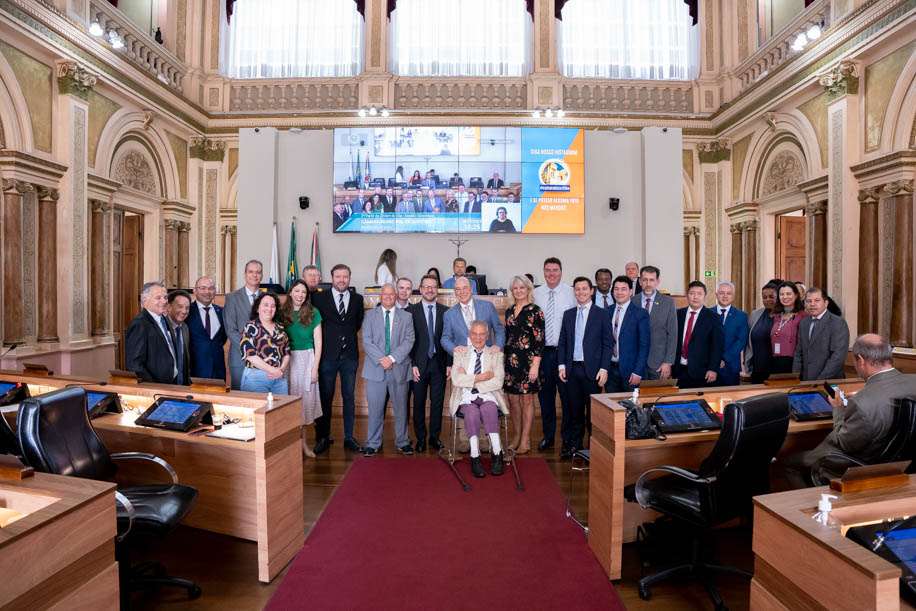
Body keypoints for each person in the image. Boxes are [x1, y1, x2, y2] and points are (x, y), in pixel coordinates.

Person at [783, 334, 916, 489]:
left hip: (865, 465)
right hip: (904, 464)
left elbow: (845, 444)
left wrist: (838, 408)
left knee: (791, 463)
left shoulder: (862, 402)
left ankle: (813, 510)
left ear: (860, 360)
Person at [312, 264, 365, 454]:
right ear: (331, 278)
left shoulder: (358, 300)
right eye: (338, 276)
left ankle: (349, 437)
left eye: (345, 276)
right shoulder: (318, 298)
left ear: (349, 278)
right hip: (327, 355)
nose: (341, 280)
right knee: (325, 397)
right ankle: (323, 437)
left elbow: (356, 323)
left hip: (349, 355)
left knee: (349, 397)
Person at [558, 277, 613, 458]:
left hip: (593, 372)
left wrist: (604, 369)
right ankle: (576, 445)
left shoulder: (602, 314)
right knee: (574, 411)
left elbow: (607, 344)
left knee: (593, 413)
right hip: (572, 370)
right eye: (577, 289)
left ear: (591, 291)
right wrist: (561, 366)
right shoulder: (568, 314)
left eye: (584, 289)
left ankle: (593, 448)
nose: (580, 292)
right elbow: (563, 343)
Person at [361, 283, 415, 457]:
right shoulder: (369, 315)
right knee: (375, 409)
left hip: (398, 367)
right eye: (385, 294)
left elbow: (409, 340)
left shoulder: (406, 317)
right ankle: (373, 443)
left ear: (396, 296)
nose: (388, 297)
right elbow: (366, 340)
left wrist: (391, 358)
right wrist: (382, 359)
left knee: (401, 409)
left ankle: (403, 442)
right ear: (380, 296)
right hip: (375, 369)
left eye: (392, 294)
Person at [449, 320, 508, 477]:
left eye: (482, 334)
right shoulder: (460, 354)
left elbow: (498, 381)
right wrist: (482, 376)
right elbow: (456, 380)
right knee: (472, 413)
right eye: (474, 333)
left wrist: (471, 380)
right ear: (470, 335)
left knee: (489, 409)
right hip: (466, 397)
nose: (478, 337)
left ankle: (497, 453)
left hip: (489, 395)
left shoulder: (496, 354)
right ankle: (475, 456)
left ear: (488, 336)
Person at [534, 257, 576, 452]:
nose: (551, 273)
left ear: (561, 271)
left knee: (567, 398)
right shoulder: (536, 294)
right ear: (543, 272)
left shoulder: (571, 293)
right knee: (546, 398)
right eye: (548, 270)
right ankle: (548, 436)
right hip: (543, 354)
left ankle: (567, 438)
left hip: (564, 353)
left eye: (555, 270)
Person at [279, 279, 323, 457]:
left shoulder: (313, 312)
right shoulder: (282, 313)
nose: (300, 295)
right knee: (286, 404)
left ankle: (304, 444)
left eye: (303, 292)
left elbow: (318, 343)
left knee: (304, 405)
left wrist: (315, 369)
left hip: (306, 360)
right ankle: (288, 445)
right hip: (287, 361)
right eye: (297, 291)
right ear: (290, 293)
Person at [408, 275, 450, 452]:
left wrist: (450, 363)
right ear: (420, 288)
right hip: (418, 365)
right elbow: (406, 340)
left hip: (439, 364)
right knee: (418, 402)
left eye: (433, 287)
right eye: (426, 287)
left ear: (437, 289)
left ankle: (434, 437)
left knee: (437, 403)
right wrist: (411, 363)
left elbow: (449, 338)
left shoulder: (446, 311)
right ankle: (420, 439)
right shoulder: (410, 312)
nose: (430, 290)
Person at [503, 275, 544, 454]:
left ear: (528, 289)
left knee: (527, 398)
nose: (518, 291)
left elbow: (540, 340)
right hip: (511, 361)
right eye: (515, 288)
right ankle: (517, 436)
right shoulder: (509, 311)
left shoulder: (536, 311)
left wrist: (535, 365)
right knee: (512, 399)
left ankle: (526, 438)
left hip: (529, 361)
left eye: (522, 287)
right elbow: (508, 337)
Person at [125, 281, 180, 384]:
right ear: (145, 301)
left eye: (165, 297)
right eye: (158, 298)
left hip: (171, 383)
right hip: (155, 387)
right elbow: (134, 364)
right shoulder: (139, 324)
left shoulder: (164, 319)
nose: (164, 301)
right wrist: (152, 386)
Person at [793, 287, 850, 381]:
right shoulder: (804, 323)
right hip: (805, 381)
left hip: (828, 382)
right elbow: (798, 354)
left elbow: (837, 357)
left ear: (826, 303)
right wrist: (795, 378)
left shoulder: (837, 323)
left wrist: (819, 381)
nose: (812, 304)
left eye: (817, 300)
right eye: (808, 301)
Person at [674, 281, 724, 388]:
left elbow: (717, 347)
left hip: (702, 372)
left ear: (705, 296)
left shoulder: (714, 318)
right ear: (687, 295)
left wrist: (713, 369)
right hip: (679, 370)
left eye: (699, 293)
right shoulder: (678, 315)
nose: (695, 297)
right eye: (692, 293)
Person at [606, 275, 650, 393]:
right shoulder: (606, 312)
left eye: (623, 289)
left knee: (632, 409)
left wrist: (638, 371)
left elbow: (644, 346)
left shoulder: (640, 314)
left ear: (630, 292)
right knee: (612, 408)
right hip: (610, 372)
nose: (619, 292)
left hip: (631, 372)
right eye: (616, 289)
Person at [239, 292, 289, 394]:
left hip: (279, 378)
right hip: (256, 378)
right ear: (257, 308)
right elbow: (250, 355)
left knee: (282, 409)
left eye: (273, 306)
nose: (269, 309)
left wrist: (280, 370)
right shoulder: (250, 327)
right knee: (259, 409)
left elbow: (287, 352)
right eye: (265, 305)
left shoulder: (280, 328)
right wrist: (272, 370)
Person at [634, 265, 678, 381]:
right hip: (636, 362)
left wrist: (668, 362)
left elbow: (672, 335)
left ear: (657, 282)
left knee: (656, 397)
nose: (648, 283)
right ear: (640, 281)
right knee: (635, 397)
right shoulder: (632, 301)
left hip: (659, 363)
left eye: (651, 280)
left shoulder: (668, 303)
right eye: (645, 280)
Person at [441, 276, 505, 355]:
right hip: (463, 360)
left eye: (465, 288)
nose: (462, 292)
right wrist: (454, 349)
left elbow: (499, 330)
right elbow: (445, 338)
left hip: (487, 358)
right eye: (458, 289)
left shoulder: (488, 307)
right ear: (455, 292)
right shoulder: (449, 314)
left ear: (471, 289)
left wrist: (498, 346)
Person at [225, 259, 263, 390]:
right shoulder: (232, 297)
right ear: (244, 275)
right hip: (239, 358)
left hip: (263, 359)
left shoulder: (267, 298)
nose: (254, 275)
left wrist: (261, 351)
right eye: (251, 272)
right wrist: (250, 350)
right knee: (240, 399)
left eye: (258, 272)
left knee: (260, 397)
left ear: (261, 276)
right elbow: (231, 330)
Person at [187, 276, 227, 381]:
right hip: (195, 370)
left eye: (211, 288)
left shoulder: (222, 312)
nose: (207, 292)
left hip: (218, 371)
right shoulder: (187, 312)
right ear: (194, 291)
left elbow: (222, 339)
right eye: (202, 288)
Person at [711, 281, 749, 386]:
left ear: (733, 296)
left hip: (731, 366)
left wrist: (724, 359)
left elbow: (741, 341)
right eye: (722, 293)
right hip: (710, 367)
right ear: (716, 294)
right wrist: (714, 360)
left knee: (731, 399)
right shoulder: (707, 313)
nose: (725, 296)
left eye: (729, 293)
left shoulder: (742, 316)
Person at [745, 282, 779, 384]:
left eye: (771, 297)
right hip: (757, 368)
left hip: (776, 369)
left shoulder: (784, 315)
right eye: (764, 297)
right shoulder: (755, 314)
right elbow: (748, 340)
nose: (767, 300)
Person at [770, 281, 808, 374]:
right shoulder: (777, 316)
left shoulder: (803, 316)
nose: (785, 297)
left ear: (795, 295)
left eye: (788, 294)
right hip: (776, 362)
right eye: (782, 294)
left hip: (793, 364)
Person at [167, 289, 192, 386]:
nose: (184, 311)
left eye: (187, 308)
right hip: (165, 385)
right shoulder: (162, 327)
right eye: (180, 307)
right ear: (169, 307)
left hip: (182, 386)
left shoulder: (185, 328)